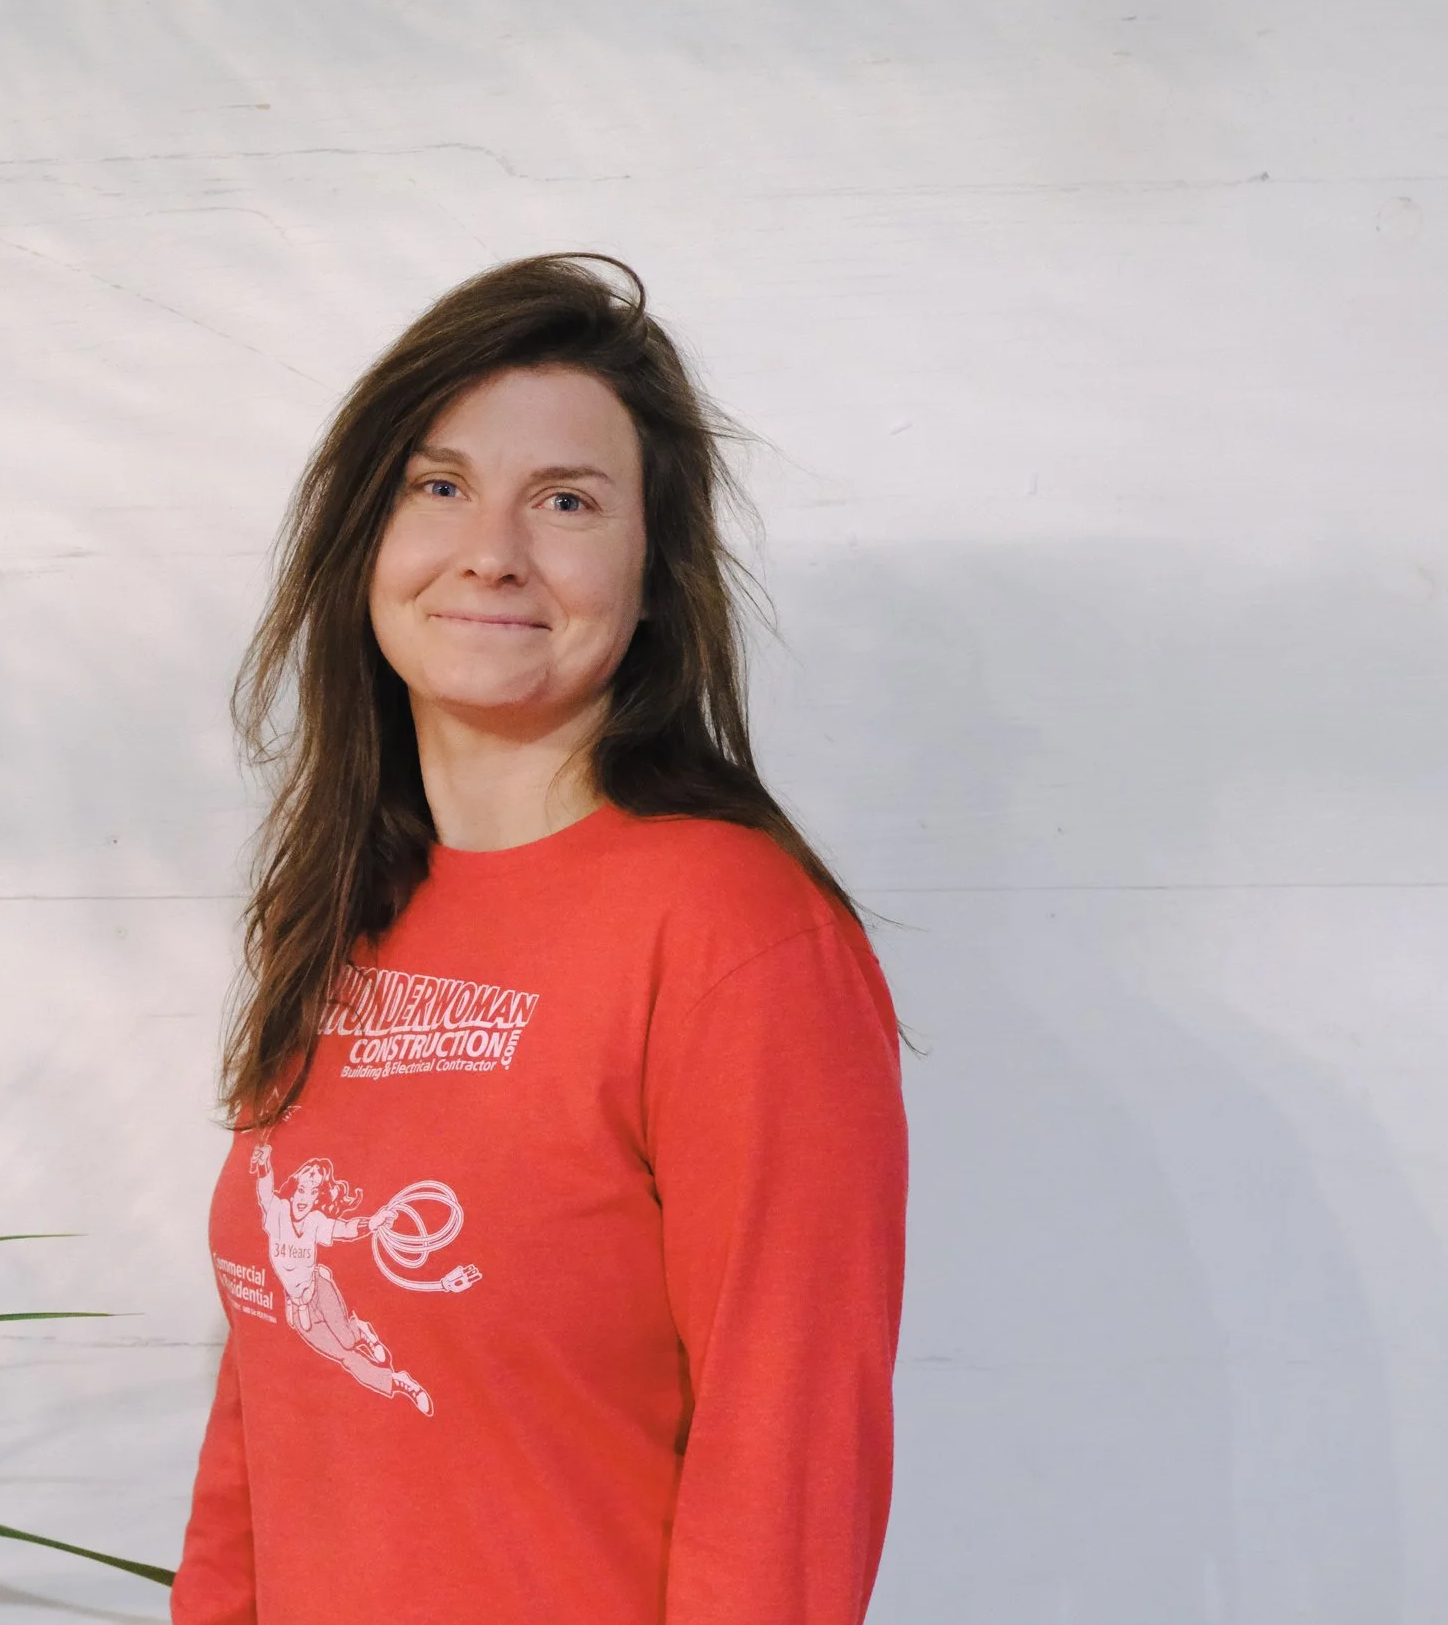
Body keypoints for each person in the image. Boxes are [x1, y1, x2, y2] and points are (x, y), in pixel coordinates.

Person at [173, 254, 908, 1624]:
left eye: (566, 501)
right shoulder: (348, 904)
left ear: (652, 570)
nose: (492, 547)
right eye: (437, 485)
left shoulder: (733, 934)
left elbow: (789, 1473)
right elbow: (267, 1404)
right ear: (365, 541)